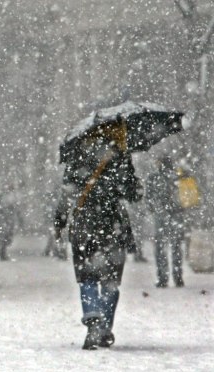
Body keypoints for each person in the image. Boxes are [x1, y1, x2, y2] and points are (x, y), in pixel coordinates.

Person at [55, 118, 142, 350]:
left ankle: (92, 316)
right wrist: (134, 187)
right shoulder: (120, 156)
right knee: (111, 281)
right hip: (113, 224)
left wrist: (60, 219)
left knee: (87, 276)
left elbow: (67, 192)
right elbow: (133, 193)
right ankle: (104, 327)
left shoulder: (78, 155)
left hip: (85, 224)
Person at [145, 156, 185, 288]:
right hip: (176, 216)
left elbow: (148, 199)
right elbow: (186, 197)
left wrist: (155, 208)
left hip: (160, 216)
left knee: (161, 247)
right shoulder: (178, 177)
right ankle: (178, 277)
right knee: (176, 247)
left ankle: (162, 278)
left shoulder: (153, 178)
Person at [0, 185, 20, 261]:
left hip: (7, 219)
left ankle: (2, 254)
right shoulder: (6, 197)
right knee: (4, 236)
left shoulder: (10, 196)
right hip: (5, 219)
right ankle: (2, 254)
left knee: (6, 236)